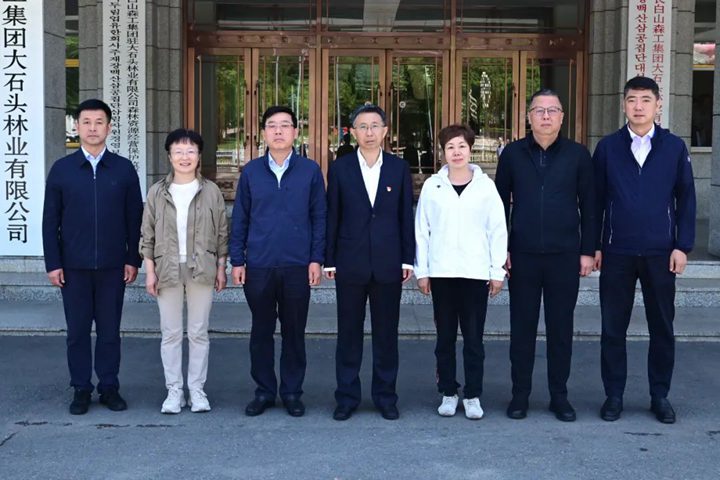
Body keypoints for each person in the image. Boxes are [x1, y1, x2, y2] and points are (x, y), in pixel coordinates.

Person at [593, 76, 696, 424]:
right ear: (623, 104)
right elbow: (595, 201)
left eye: (645, 100)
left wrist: (682, 246)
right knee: (613, 327)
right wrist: (594, 245)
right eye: (632, 100)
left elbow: (686, 199)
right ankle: (614, 395)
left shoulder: (673, 147)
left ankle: (660, 395)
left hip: (660, 252)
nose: (638, 106)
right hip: (617, 251)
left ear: (657, 104)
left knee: (662, 327)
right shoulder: (608, 147)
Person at [495, 89, 595, 422]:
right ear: (529, 116)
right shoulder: (512, 154)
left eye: (553, 110)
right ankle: (519, 395)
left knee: (560, 329)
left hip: (564, 255)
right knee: (521, 328)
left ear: (562, 117)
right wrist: (500, 249)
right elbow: (498, 206)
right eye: (539, 110)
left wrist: (587, 250)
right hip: (522, 255)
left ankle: (559, 396)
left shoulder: (578, 155)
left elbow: (590, 205)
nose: (546, 116)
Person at [42, 99, 143, 415]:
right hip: (73, 267)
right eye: (86, 122)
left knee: (110, 331)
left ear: (109, 128)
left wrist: (133, 259)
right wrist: (53, 263)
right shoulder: (62, 170)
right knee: (77, 332)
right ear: (77, 127)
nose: (92, 128)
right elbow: (50, 221)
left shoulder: (123, 169)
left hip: (113, 267)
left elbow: (134, 219)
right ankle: (81, 388)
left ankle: (109, 387)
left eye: (99, 122)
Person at [230, 106, 326, 418]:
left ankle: (292, 392)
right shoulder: (251, 172)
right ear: (264, 133)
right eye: (272, 125)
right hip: (259, 264)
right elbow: (240, 218)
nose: (279, 131)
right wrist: (237, 260)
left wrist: (316, 258)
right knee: (261, 331)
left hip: (297, 265)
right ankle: (264, 392)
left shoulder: (310, 171)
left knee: (294, 332)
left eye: (285, 125)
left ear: (296, 132)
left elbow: (319, 217)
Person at [325, 104, 415, 421]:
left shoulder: (398, 168)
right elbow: (333, 215)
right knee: (348, 334)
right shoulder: (341, 168)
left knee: (386, 335)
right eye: (362, 126)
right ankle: (346, 397)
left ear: (385, 131)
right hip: (350, 262)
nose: (369, 132)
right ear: (353, 132)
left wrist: (407, 258)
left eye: (375, 125)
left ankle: (385, 396)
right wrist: (329, 260)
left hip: (388, 263)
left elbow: (406, 215)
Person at [414, 124, 507, 419]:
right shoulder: (433, 186)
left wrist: (496, 271)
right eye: (450, 147)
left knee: (473, 339)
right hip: (442, 273)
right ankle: (448, 391)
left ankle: (473, 394)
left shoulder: (485, 187)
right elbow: (422, 231)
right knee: (445, 338)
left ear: (470, 149)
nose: (456, 152)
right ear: (443, 152)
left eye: (462, 146)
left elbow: (497, 229)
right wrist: (422, 270)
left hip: (475, 273)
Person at [141, 129, 228, 414]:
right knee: (171, 333)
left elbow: (221, 233)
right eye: (178, 151)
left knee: (199, 332)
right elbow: (147, 236)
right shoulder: (157, 192)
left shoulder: (211, 191)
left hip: (202, 267)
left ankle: (197, 390)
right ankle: (174, 391)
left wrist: (221, 268)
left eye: (191, 151)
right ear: (169, 156)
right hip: (167, 268)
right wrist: (150, 272)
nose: (184, 157)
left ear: (199, 156)